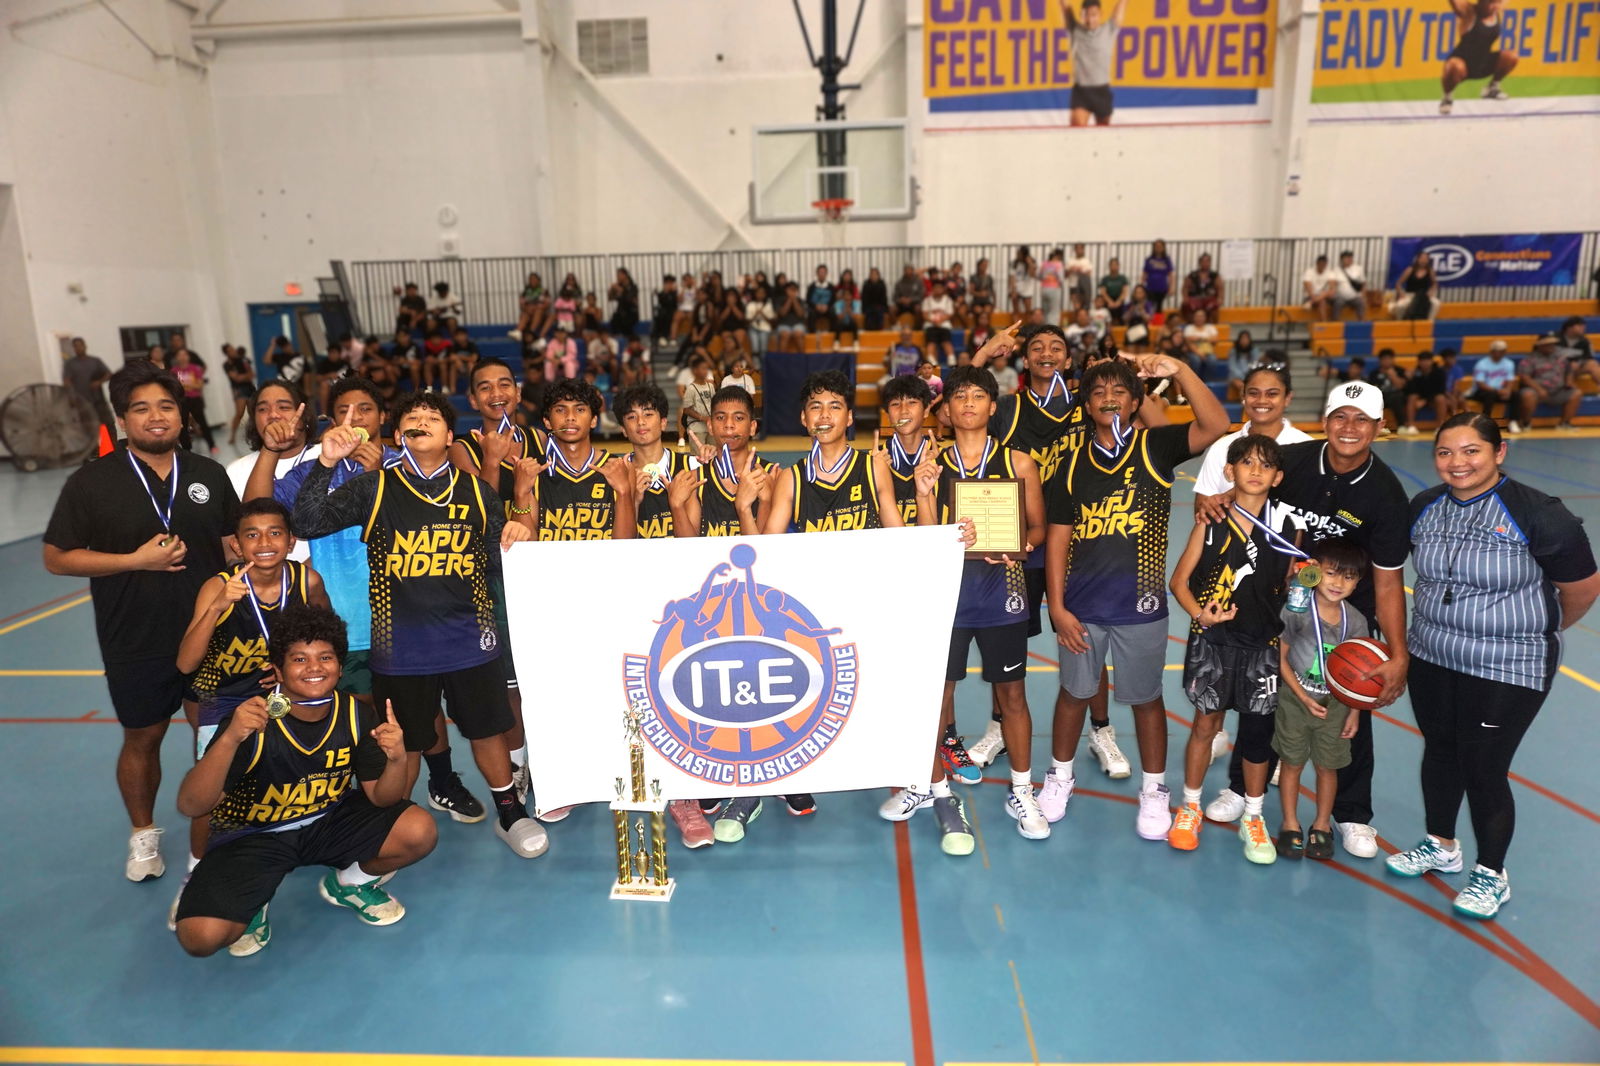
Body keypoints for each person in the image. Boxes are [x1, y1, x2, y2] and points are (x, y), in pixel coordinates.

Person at [291, 391, 545, 857]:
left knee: (487, 730)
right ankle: (390, 823)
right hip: (402, 647)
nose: (422, 420)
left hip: (472, 641)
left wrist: (519, 528)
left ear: (450, 437)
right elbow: (306, 521)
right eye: (413, 416)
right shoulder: (375, 488)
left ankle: (510, 812)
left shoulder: (476, 491)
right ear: (399, 433)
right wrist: (326, 462)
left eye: (433, 417)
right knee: (403, 742)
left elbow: (498, 559)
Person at [1388, 414, 1600, 917]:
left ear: (1498, 452)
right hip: (1433, 653)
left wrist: (1532, 631)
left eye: (1471, 451)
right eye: (1445, 452)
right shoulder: (1426, 506)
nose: (1457, 463)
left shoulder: (1539, 514)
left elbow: (1582, 588)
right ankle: (1441, 844)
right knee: (1440, 750)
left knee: (1484, 766)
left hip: (1508, 665)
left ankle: (1490, 873)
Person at [43, 361, 239, 883]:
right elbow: (57, 556)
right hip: (134, 636)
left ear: (182, 415)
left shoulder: (207, 474)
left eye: (166, 406)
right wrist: (132, 561)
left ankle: (221, 828)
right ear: (124, 419)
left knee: (215, 737)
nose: (156, 417)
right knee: (143, 738)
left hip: (211, 633)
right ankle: (143, 834)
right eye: (142, 408)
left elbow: (229, 543)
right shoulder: (92, 481)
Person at [1199, 382, 1410, 857]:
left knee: (1351, 700)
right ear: (1326, 420)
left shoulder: (1387, 495)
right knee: (1263, 700)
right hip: (1281, 605)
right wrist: (1216, 498)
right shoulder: (1294, 461)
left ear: (1379, 426)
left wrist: (1397, 653)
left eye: (1361, 419)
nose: (1349, 428)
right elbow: (1247, 488)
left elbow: (1389, 581)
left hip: (1343, 614)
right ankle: (1244, 787)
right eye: (1340, 416)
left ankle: (1352, 815)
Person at [172, 607, 437, 957]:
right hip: (255, 834)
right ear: (277, 670)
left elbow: (383, 799)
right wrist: (230, 738)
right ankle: (254, 902)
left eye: (325, 657)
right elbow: (191, 805)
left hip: (328, 821)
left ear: (340, 667)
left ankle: (350, 883)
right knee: (200, 937)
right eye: (300, 659)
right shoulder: (253, 720)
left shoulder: (355, 713)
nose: (314, 668)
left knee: (419, 830)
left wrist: (397, 759)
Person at [1042, 352, 1230, 838]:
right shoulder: (1069, 464)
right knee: (1073, 695)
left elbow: (1216, 424)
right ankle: (1059, 777)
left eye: (1119, 391)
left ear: (1135, 401)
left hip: (1141, 608)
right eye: (1099, 392)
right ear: (1086, 404)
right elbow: (1059, 538)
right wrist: (1058, 607)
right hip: (1082, 608)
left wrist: (1180, 371)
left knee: (1147, 700)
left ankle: (1154, 791)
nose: (1109, 398)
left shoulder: (1156, 446)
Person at [883, 366, 1044, 845]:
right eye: (959, 397)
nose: (969, 404)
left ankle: (1021, 790)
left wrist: (1017, 546)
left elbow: (1038, 529)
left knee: (1012, 695)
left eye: (979, 396)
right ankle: (926, 782)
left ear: (993, 407)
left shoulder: (1019, 463)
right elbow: (929, 537)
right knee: (937, 696)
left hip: (1003, 595)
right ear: (947, 411)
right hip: (946, 598)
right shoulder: (933, 463)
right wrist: (924, 491)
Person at [1168, 434, 1297, 863]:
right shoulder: (1210, 521)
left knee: (1258, 734)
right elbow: (1179, 583)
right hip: (1214, 642)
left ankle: (1254, 816)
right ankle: (1189, 808)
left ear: (1277, 477)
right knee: (1206, 725)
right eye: (1246, 463)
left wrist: (1305, 581)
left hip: (1263, 645)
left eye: (1265, 465)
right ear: (1230, 471)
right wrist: (1199, 615)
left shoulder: (1290, 527)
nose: (1255, 471)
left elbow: (1297, 585)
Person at [1273, 540, 1370, 861]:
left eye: (1348, 577)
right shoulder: (1297, 611)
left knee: (1328, 767)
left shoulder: (1355, 621)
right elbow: (1281, 659)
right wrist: (1301, 696)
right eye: (1331, 574)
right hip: (1295, 699)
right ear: (1316, 572)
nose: (1338, 583)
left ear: (1358, 582)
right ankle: (1289, 823)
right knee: (1292, 763)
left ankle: (1321, 825)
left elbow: (1361, 675)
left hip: (1337, 706)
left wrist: (1354, 711)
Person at [512, 378, 638, 543]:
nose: (570, 417)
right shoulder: (533, 472)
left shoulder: (620, 468)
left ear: (594, 420)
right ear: (547, 422)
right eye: (560, 410)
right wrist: (520, 493)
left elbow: (626, 547)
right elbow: (525, 550)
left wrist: (623, 492)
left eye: (579, 409)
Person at [230, 381, 318, 562]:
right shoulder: (236, 470)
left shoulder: (328, 455)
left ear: (304, 417)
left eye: (284, 407)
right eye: (262, 410)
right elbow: (251, 522)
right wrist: (271, 449)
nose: (273, 415)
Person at [1439, 0, 1517, 114]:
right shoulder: (1469, 12)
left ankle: (1492, 88)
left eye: (1497, 3)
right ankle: (1447, 98)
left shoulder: (1496, 9)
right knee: (1453, 65)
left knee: (1511, 56)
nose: (1494, 6)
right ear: (1481, 2)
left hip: (1483, 64)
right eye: (1490, 3)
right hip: (1463, 66)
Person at [1058, 0, 1127, 125]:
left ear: (1100, 14)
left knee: (1103, 137)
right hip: (1081, 91)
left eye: (1094, 15)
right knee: (1076, 131)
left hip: (1102, 91)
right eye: (1086, 15)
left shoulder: (1109, 28)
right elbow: (1065, 7)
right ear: (1081, 15)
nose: (1090, 19)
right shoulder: (1074, 29)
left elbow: (1120, 7)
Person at [1512, 333, 1580, 433]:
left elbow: (1569, 370)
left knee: (1576, 393)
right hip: (1536, 391)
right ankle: (1526, 423)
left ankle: (1564, 423)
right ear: (1540, 345)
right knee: (1528, 395)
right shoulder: (1530, 359)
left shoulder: (1560, 357)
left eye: (1553, 344)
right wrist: (1539, 389)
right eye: (1548, 344)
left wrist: (1569, 381)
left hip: (1558, 391)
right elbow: (1524, 377)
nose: (1551, 346)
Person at [63, 337, 115, 443]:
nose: (78, 348)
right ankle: (92, 452)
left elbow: (108, 374)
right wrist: (70, 396)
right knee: (87, 428)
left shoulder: (95, 361)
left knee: (108, 424)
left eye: (80, 345)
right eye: (75, 346)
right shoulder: (70, 364)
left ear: (85, 346)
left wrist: (99, 382)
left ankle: (114, 449)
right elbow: (66, 381)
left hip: (98, 400)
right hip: (82, 401)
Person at [1467, 340, 1518, 422]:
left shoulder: (1509, 363)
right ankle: (1486, 420)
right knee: (1490, 395)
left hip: (1500, 391)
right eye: (1499, 351)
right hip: (1481, 392)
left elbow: (1510, 380)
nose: (1501, 353)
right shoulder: (1482, 364)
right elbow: (1480, 384)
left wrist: (1507, 391)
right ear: (1492, 351)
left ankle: (1513, 421)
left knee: (1516, 394)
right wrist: (1498, 391)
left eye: (1503, 351)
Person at [1391, 251, 1439, 321]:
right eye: (1422, 258)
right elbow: (1398, 283)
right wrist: (1401, 293)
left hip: (1424, 296)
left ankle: (1429, 322)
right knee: (1400, 306)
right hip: (1410, 295)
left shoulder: (1430, 271)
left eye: (1426, 259)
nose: (1423, 260)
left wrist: (1431, 291)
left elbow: (1434, 283)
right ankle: (1400, 322)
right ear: (1417, 259)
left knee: (1435, 303)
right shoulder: (1410, 270)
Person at [922, 279, 956, 365]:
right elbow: (924, 314)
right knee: (931, 342)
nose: (938, 290)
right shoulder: (927, 300)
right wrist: (933, 321)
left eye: (939, 288)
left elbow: (949, 314)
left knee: (946, 341)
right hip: (930, 325)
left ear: (943, 289)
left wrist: (940, 321)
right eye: (936, 288)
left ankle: (951, 358)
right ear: (932, 289)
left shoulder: (948, 300)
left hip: (944, 324)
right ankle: (931, 358)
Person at [1180, 253, 1223, 321]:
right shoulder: (1192, 275)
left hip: (1209, 298)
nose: (1205, 263)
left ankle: (1214, 326)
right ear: (1199, 263)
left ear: (1210, 263)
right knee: (1188, 306)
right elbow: (1185, 287)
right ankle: (1190, 325)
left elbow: (1220, 288)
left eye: (1207, 261)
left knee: (1214, 306)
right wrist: (1185, 297)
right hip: (1195, 298)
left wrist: (1220, 298)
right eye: (1203, 261)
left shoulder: (1214, 275)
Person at [1302, 254, 1340, 322]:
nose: (1322, 265)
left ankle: (1311, 303)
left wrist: (1323, 295)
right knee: (1322, 301)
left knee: (1328, 292)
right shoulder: (1309, 272)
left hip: (1324, 296)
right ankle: (1324, 324)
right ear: (1317, 263)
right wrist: (1314, 297)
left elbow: (1332, 287)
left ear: (1326, 264)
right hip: (1311, 296)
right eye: (1321, 263)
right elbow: (1308, 288)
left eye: (1324, 264)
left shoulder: (1330, 272)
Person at [1332, 250, 1367, 320]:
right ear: (1342, 259)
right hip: (1341, 297)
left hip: (1355, 296)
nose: (1349, 259)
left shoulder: (1358, 268)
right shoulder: (1336, 269)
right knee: (1337, 304)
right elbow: (1333, 284)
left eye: (1351, 257)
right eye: (1347, 257)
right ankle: (1335, 324)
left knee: (1361, 303)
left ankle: (1361, 324)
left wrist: (1363, 296)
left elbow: (1363, 283)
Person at [1141, 241, 1173, 311]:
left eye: (1160, 246)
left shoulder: (1167, 260)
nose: (1158, 248)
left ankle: (1158, 321)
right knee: (1151, 305)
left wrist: (1171, 287)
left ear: (1163, 248)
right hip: (1150, 287)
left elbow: (1171, 275)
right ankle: (1151, 321)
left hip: (1162, 287)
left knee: (1159, 306)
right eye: (1156, 246)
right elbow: (1145, 273)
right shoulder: (1149, 259)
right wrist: (1142, 286)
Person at [862, 267, 889, 331]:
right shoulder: (866, 284)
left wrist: (884, 308)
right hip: (869, 306)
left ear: (878, 275)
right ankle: (868, 331)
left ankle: (880, 330)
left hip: (880, 306)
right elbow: (864, 298)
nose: (874, 276)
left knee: (879, 313)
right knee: (869, 315)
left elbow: (884, 298)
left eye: (875, 274)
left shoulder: (882, 284)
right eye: (872, 274)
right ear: (869, 276)